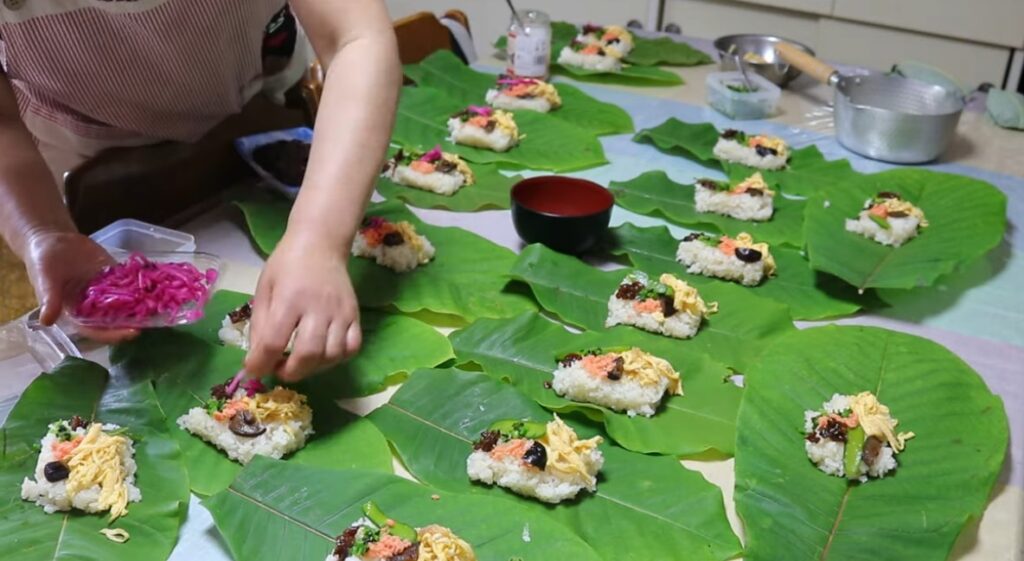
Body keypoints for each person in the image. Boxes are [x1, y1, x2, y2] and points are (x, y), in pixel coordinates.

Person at [0, 1, 401, 381]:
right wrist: (42, 231)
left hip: (259, 115)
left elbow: (356, 38)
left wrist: (319, 238)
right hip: (90, 161)